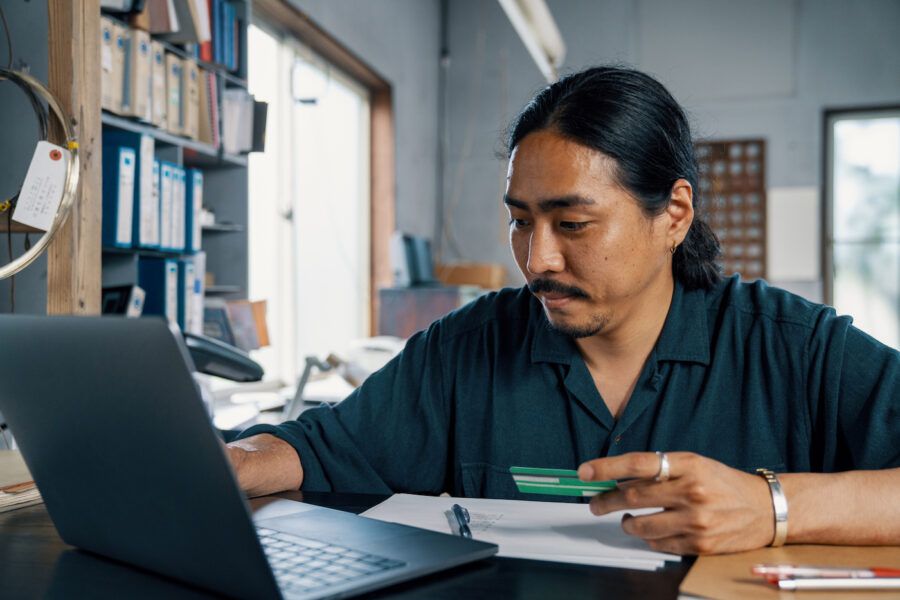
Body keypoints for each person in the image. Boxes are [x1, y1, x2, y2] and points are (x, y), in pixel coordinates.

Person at [227, 66, 900, 555]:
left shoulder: (792, 346)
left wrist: (774, 507)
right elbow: (318, 448)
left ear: (673, 215)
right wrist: (222, 458)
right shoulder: (470, 348)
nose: (537, 258)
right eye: (521, 221)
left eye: (572, 223)